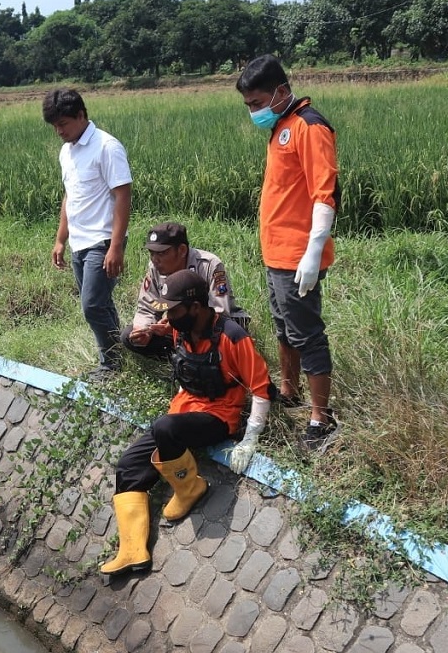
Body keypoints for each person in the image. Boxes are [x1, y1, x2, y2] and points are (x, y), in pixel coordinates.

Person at [101, 271, 273, 576]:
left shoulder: (233, 337)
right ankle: (132, 551)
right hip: (182, 413)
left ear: (195, 306)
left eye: (174, 309)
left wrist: (250, 440)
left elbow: (261, 389)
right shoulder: (182, 328)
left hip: (219, 418)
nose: (168, 316)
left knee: (165, 428)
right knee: (128, 464)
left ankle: (190, 488)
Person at [236, 54, 342, 451]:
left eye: (257, 103)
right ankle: (289, 390)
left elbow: (324, 194)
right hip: (276, 253)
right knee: (284, 328)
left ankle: (321, 418)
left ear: (281, 91)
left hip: (298, 256)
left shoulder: (310, 127)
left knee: (307, 335)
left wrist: (313, 253)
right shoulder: (282, 124)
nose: (254, 112)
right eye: (249, 106)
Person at [43, 88, 132, 377]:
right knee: (100, 303)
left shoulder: (107, 146)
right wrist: (60, 239)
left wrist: (116, 247)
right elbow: (69, 196)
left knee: (92, 305)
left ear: (81, 115)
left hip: (103, 241)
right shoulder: (66, 152)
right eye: (55, 126)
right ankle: (117, 357)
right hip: (79, 242)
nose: (59, 131)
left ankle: (111, 365)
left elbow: (123, 195)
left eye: (63, 124)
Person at [122, 221, 251, 360]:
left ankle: (205, 359)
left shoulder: (209, 265)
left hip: (213, 325)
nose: (155, 259)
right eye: (151, 253)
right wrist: (143, 330)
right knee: (128, 336)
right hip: (179, 322)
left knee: (224, 336)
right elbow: (147, 307)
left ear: (182, 250)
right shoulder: (155, 268)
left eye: (162, 253)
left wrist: (176, 326)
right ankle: (181, 360)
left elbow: (220, 311)